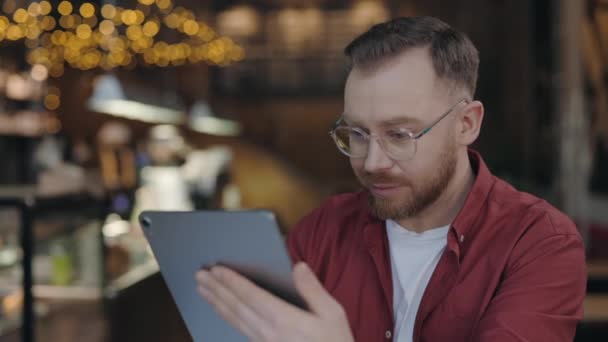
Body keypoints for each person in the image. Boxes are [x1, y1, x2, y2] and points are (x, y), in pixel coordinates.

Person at [195, 16, 586, 341]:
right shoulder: (324, 229)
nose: (373, 162)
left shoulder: (540, 242)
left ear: (466, 124)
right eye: (357, 135)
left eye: (400, 135)